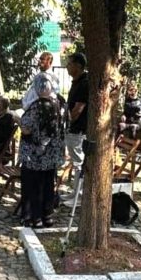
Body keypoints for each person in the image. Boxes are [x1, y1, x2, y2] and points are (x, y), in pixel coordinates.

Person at [18, 75, 65, 227]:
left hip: (35, 154)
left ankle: (34, 218)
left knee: (33, 185)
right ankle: (47, 216)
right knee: (48, 185)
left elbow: (26, 129)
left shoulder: (37, 106)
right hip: (52, 154)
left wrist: (16, 119)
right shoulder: (60, 104)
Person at [64, 52, 89, 184]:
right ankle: (75, 193)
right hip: (73, 128)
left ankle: (78, 195)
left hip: (78, 130)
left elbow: (78, 110)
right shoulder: (76, 82)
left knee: (78, 162)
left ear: (78, 66)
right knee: (75, 161)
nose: (67, 66)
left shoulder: (84, 83)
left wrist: (67, 122)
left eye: (69, 64)